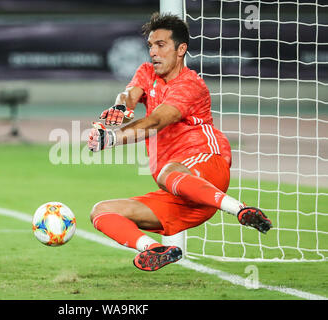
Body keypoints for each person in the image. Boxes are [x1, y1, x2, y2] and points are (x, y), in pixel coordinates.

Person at [87, 12, 272, 272]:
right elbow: (130, 93)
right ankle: (154, 250)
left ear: (181, 49)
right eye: (150, 45)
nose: (153, 52)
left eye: (161, 45)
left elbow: (155, 122)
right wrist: (121, 107)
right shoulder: (147, 72)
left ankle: (241, 210)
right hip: (183, 196)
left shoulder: (190, 86)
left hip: (208, 165)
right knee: (102, 211)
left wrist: (111, 138)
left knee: (168, 172)